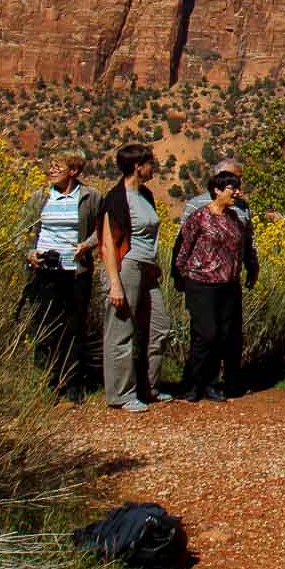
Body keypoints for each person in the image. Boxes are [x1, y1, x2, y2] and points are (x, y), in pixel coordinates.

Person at [20, 153, 101, 404]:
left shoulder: (90, 196)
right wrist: (29, 253)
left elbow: (103, 228)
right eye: (50, 166)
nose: (52, 170)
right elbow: (23, 230)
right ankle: (46, 383)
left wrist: (86, 246)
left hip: (76, 272)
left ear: (74, 171)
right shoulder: (40, 197)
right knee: (45, 327)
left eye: (58, 167)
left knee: (74, 328)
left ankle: (73, 383)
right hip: (45, 271)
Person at [99, 143, 172, 412]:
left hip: (146, 268)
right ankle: (121, 394)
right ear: (137, 167)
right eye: (150, 163)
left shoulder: (146, 195)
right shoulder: (116, 199)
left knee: (159, 327)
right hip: (126, 266)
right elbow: (108, 244)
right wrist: (114, 283)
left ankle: (149, 387)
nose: (153, 168)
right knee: (121, 330)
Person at [173, 170, 256, 403]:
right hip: (201, 283)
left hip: (228, 284)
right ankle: (192, 384)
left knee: (224, 335)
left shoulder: (235, 218)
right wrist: (180, 277)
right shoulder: (199, 217)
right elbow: (183, 248)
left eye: (237, 187)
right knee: (205, 334)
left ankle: (210, 384)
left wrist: (251, 268)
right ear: (217, 191)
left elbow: (246, 246)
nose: (236, 192)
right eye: (231, 188)